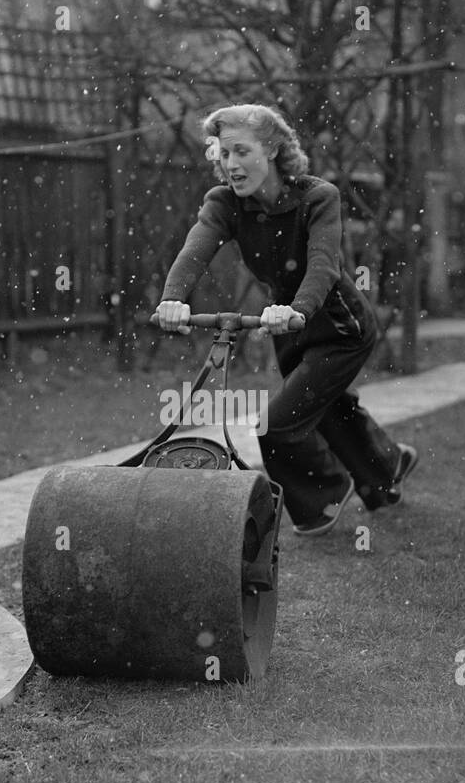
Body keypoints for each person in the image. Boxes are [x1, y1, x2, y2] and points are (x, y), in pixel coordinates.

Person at [155, 103, 418, 536]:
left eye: (242, 151)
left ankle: (323, 498)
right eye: (223, 153)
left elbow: (323, 266)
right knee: (332, 409)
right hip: (286, 324)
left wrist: (298, 310)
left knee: (276, 424)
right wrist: (172, 298)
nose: (230, 164)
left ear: (273, 149)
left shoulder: (318, 197)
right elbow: (195, 250)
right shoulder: (223, 203)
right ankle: (388, 470)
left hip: (338, 325)